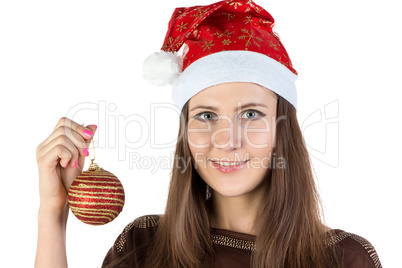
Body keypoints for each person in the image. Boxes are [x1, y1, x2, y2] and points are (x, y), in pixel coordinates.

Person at [35, 0, 383, 267]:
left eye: (251, 113)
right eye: (206, 115)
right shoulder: (143, 246)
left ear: (283, 128)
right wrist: (52, 213)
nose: (227, 140)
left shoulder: (344, 260)